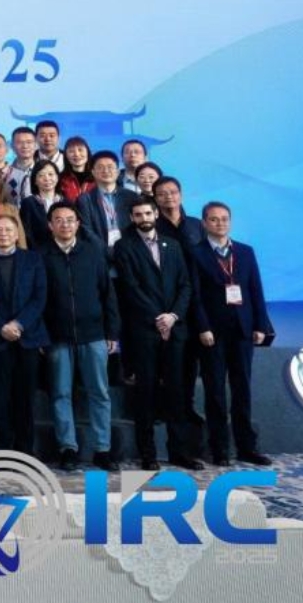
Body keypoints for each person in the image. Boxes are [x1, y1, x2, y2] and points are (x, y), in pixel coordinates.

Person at [111, 200, 200, 472]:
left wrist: (173, 316)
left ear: (156, 214)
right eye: (138, 214)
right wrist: (158, 318)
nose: (144, 218)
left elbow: (185, 285)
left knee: (177, 392)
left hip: (175, 329)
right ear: (131, 218)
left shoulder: (172, 245)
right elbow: (130, 288)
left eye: (148, 213)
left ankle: (179, 452)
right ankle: (147, 454)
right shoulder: (123, 247)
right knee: (146, 393)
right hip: (143, 330)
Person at [191, 202, 274, 467]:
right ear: (204, 223)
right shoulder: (195, 253)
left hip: (242, 330)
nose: (220, 223)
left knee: (242, 390)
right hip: (212, 334)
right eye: (214, 219)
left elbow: (255, 290)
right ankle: (220, 449)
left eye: (224, 219)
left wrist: (260, 325)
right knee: (215, 392)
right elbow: (195, 295)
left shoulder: (245, 252)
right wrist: (203, 327)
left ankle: (247, 447)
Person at [39, 203, 118, 471]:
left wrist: (112, 332)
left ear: (78, 224)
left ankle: (102, 449)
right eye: (59, 220)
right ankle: (68, 448)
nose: (65, 224)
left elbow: (108, 294)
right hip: (57, 336)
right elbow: (37, 299)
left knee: (100, 393)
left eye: (70, 220)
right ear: (50, 225)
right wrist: (42, 335)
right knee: (61, 393)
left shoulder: (92, 253)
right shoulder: (41, 256)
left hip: (94, 334)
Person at [0, 216, 48, 456]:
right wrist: (1, 326)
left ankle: (25, 452)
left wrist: (19, 324)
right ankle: (3, 452)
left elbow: (39, 297)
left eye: (8, 230)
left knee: (25, 398)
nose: (3, 234)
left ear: (17, 234)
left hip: (28, 338)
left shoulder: (33, 260)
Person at [76, 151, 141, 251]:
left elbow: (137, 224)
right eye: (100, 167)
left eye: (110, 167)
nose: (106, 171)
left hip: (130, 249)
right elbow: (86, 230)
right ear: (93, 172)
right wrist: (105, 250)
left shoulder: (131, 197)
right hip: (99, 252)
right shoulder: (85, 199)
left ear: (118, 172)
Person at [19, 161, 64, 249]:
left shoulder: (66, 202)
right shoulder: (28, 203)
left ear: (57, 177)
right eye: (41, 175)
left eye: (50, 174)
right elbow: (27, 233)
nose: (47, 178)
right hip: (37, 252)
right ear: (35, 181)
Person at [153, 177, 205, 249]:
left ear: (181, 195)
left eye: (173, 192)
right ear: (156, 199)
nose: (169, 196)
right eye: (162, 194)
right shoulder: (152, 227)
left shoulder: (196, 224)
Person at [59, 137, 96, 203]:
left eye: (80, 150)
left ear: (87, 152)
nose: (76, 154)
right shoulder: (60, 179)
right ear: (66, 155)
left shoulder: (97, 178)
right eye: (71, 151)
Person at [7, 127, 38, 201]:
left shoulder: (44, 171)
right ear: (12, 146)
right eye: (19, 142)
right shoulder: (6, 173)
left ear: (36, 145)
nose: (25, 146)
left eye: (29, 142)